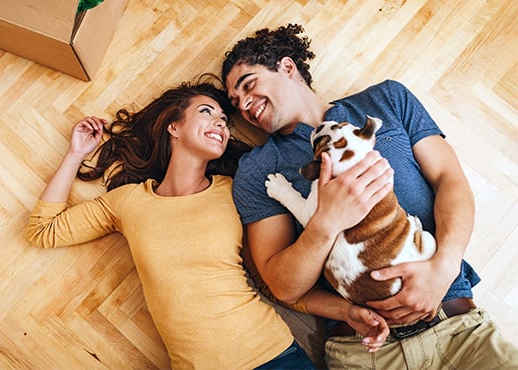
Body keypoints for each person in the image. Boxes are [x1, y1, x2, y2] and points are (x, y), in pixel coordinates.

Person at [221, 24, 518, 369]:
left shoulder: (388, 99)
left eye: (249, 85)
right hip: (367, 352)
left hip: (459, 330)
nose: (243, 104)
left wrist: (446, 266)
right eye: (235, 102)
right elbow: (282, 285)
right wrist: (327, 222)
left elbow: (450, 180)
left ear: (287, 68)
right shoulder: (257, 171)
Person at [25, 79, 317, 369]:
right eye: (207, 112)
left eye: (225, 120)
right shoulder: (128, 202)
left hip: (274, 356)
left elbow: (272, 282)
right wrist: (76, 153)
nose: (220, 124)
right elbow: (43, 229)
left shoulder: (235, 190)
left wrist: (347, 312)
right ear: (173, 126)